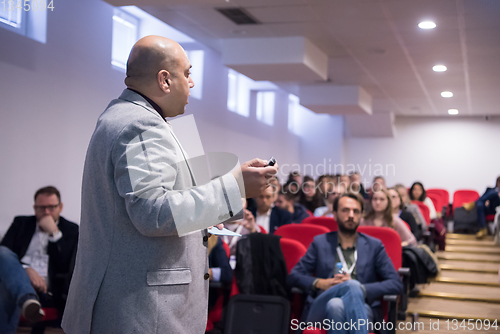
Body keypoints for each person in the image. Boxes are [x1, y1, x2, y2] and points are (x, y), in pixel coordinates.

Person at [61, 36, 277, 334]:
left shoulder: (143, 120)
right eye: (187, 73)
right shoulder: (141, 125)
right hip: (142, 308)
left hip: (142, 303)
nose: (191, 83)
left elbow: (182, 198)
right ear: (164, 79)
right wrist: (235, 187)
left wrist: (234, 185)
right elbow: (154, 212)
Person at [287, 193, 403, 334]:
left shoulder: (374, 246)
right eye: (345, 210)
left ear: (361, 216)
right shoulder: (320, 243)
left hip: (363, 306)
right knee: (348, 288)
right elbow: (293, 276)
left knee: (336, 305)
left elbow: (396, 283)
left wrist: (362, 289)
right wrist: (320, 283)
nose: (351, 215)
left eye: (356, 211)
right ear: (335, 214)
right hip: (320, 307)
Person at [0, 186, 79, 334]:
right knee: (2, 254)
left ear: (60, 207)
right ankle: (27, 298)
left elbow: (67, 266)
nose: (46, 212)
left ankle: (26, 299)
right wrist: (25, 269)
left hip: (50, 288)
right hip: (17, 279)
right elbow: (4, 255)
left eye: (51, 207)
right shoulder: (21, 223)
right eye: (41, 207)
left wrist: (55, 234)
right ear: (34, 208)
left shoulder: (71, 230)